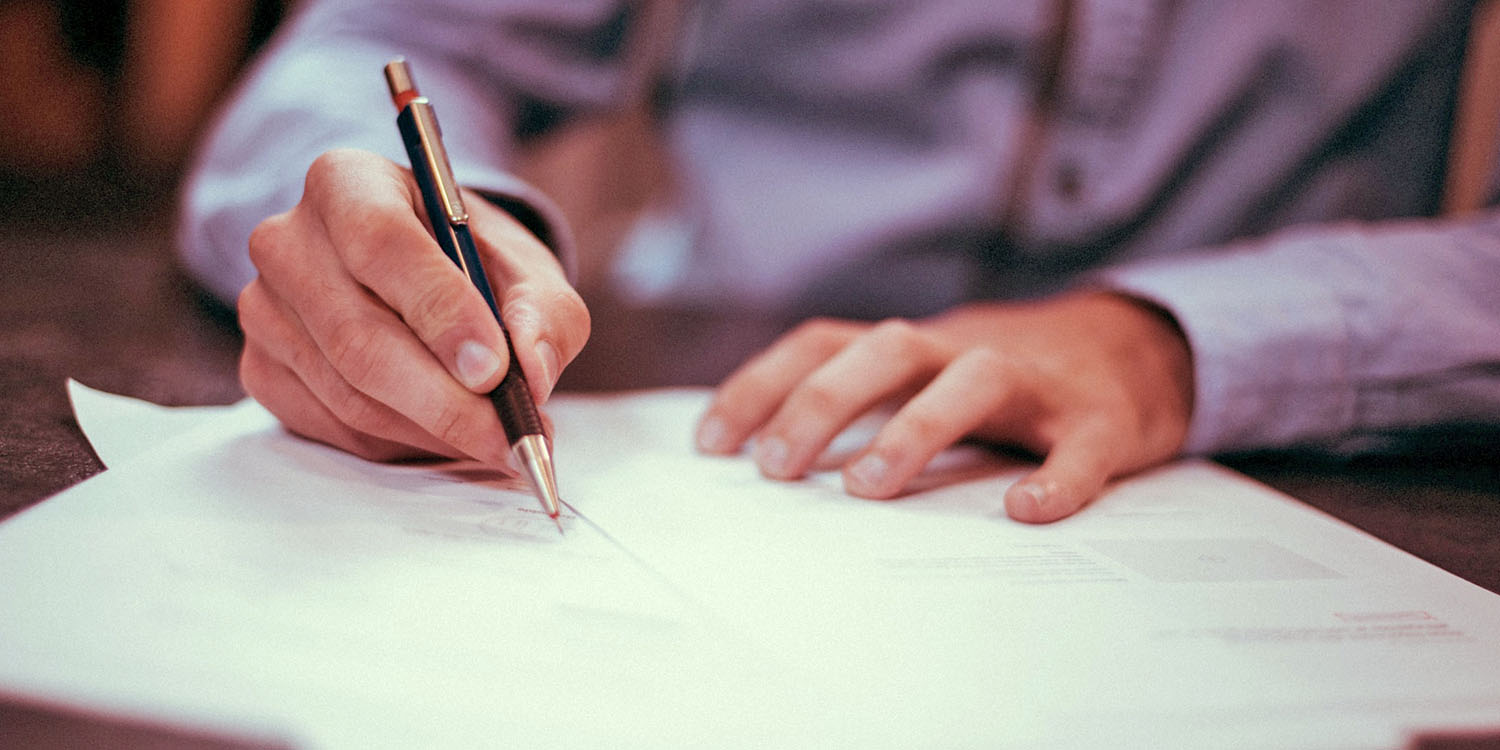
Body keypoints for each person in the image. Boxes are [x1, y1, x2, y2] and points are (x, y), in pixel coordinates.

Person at [178, 0, 1500, 523]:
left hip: (1278, 469)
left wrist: (1168, 336)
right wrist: (400, 233)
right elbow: (380, 43)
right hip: (710, 422)